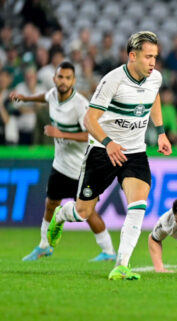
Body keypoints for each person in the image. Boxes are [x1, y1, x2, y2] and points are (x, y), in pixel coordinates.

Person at [48, 31, 172, 280]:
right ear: (132, 56)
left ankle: (122, 264)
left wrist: (160, 132)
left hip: (134, 152)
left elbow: (154, 98)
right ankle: (61, 216)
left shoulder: (154, 78)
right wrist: (108, 143)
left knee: (138, 205)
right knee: (83, 212)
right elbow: (89, 119)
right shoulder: (113, 80)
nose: (152, 63)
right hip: (102, 152)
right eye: (148, 57)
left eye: (155, 57)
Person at [10, 62, 116, 262]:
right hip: (60, 165)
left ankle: (109, 251)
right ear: (54, 79)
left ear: (73, 81)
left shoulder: (80, 105)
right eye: (61, 77)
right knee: (50, 204)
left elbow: (91, 134)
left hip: (81, 168)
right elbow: (45, 97)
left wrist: (60, 133)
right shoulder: (52, 95)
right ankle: (44, 246)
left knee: (88, 212)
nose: (64, 81)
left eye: (68, 78)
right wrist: (25, 98)